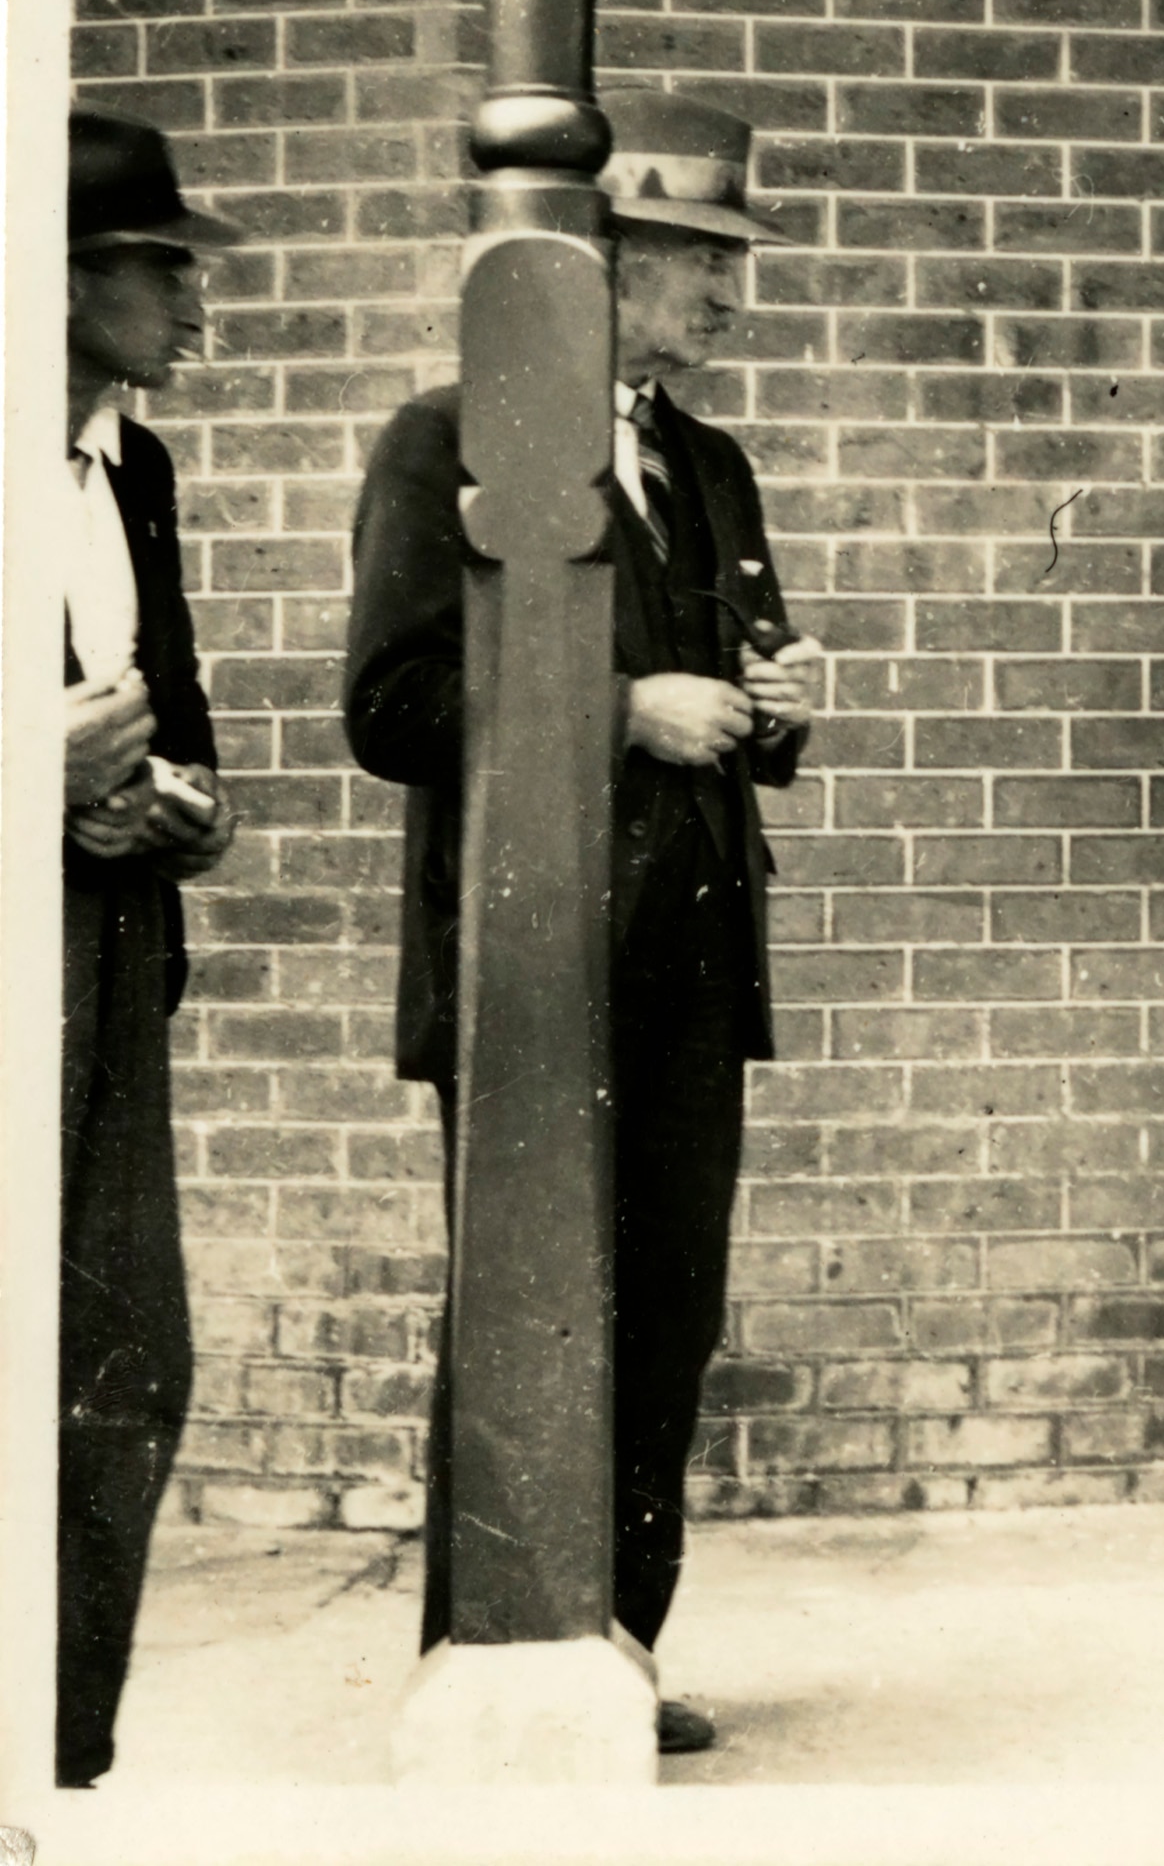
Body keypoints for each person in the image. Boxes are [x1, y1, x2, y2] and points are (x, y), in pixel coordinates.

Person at [344, 93, 825, 1750]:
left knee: (667, 1316)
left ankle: (618, 1652)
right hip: (531, 969)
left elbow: (746, 716)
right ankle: (480, 1659)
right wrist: (626, 708)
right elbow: (394, 704)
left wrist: (773, 705)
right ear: (606, 262)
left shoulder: (710, 462)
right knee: (524, 1317)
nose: (730, 300)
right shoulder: (448, 437)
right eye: (704, 265)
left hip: (689, 965)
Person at [56, 110, 241, 1786]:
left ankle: (62, 1760)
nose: (194, 305)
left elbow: (182, 727)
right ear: (54, 278)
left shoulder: (140, 471)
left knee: (126, 1360)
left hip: (113, 964)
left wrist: (186, 808)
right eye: (160, 269)